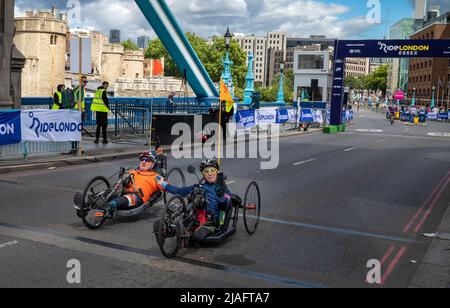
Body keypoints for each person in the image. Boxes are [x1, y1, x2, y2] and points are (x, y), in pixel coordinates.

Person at [156, 159, 231, 243]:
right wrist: (163, 184)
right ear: (203, 174)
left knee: (198, 236)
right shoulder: (199, 186)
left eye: (212, 170)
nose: (210, 174)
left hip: (212, 221)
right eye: (206, 171)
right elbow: (180, 191)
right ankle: (167, 232)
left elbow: (225, 206)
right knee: (160, 224)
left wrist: (220, 196)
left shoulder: (221, 188)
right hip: (196, 218)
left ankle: (185, 234)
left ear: (217, 171)